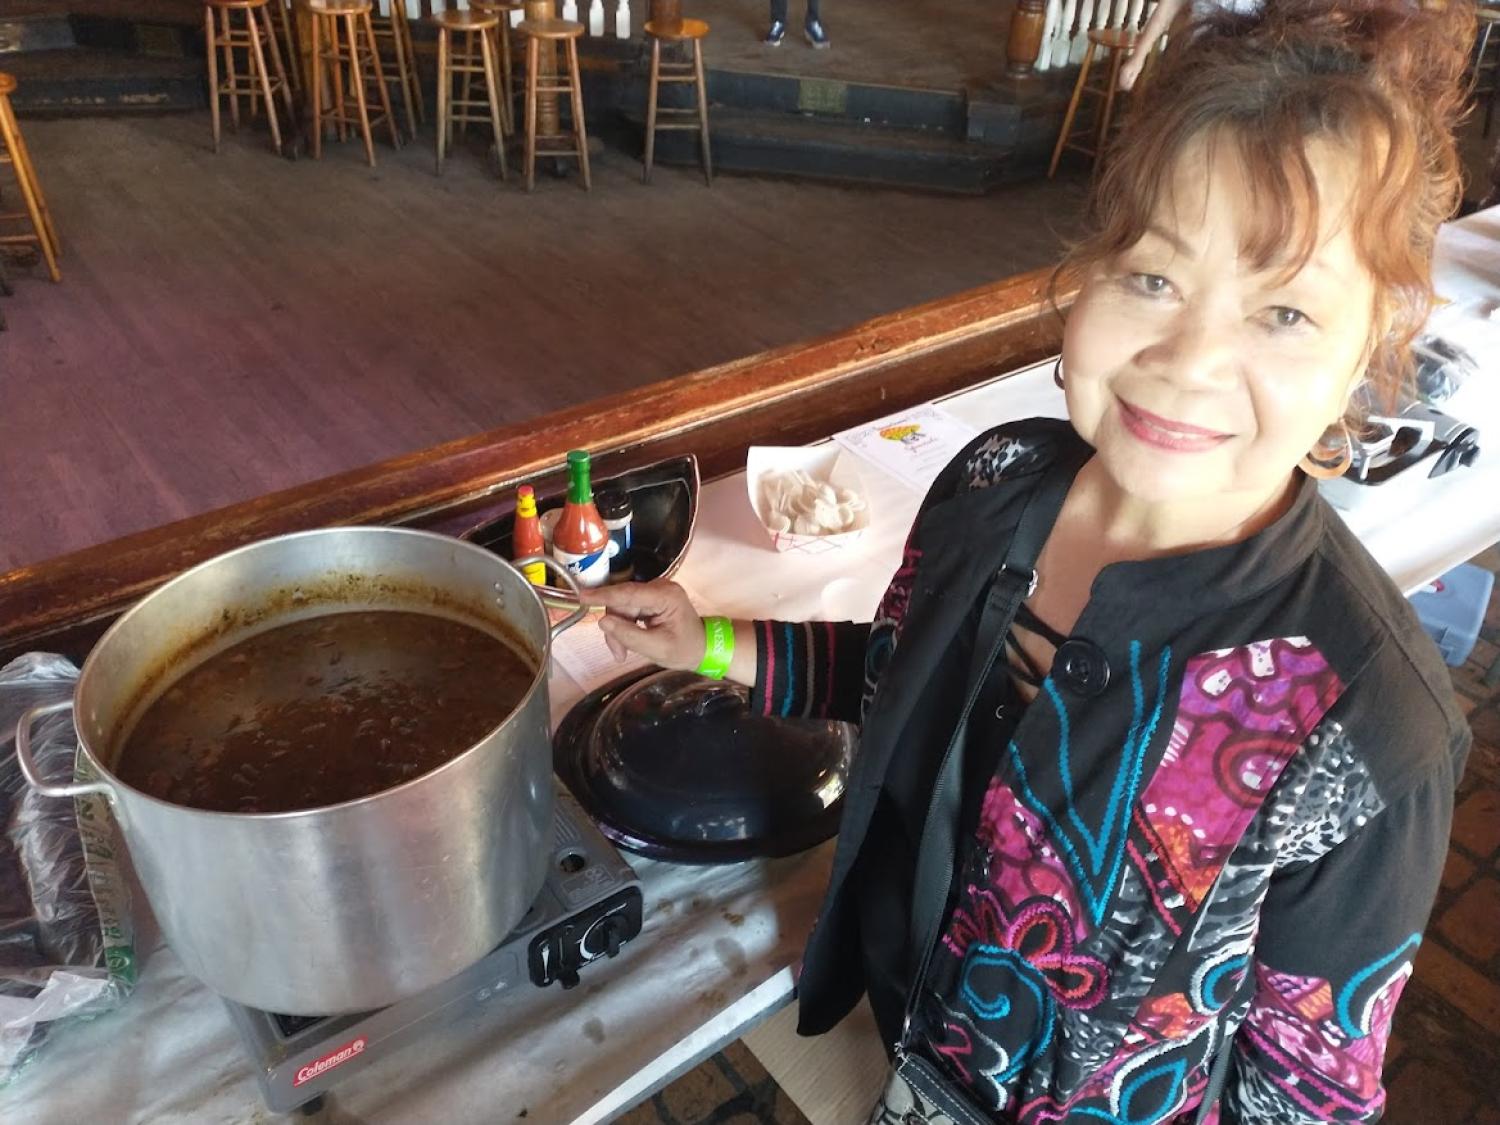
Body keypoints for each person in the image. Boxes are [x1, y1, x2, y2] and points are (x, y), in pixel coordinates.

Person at [596, 1, 1475, 1120]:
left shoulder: (1369, 728)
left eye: (1286, 312)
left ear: (1374, 342)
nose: (1188, 361)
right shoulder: (996, 480)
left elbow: (1302, 1098)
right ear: (1089, 269)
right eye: (1152, 277)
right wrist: (711, 641)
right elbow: (896, 673)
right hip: (906, 1030)